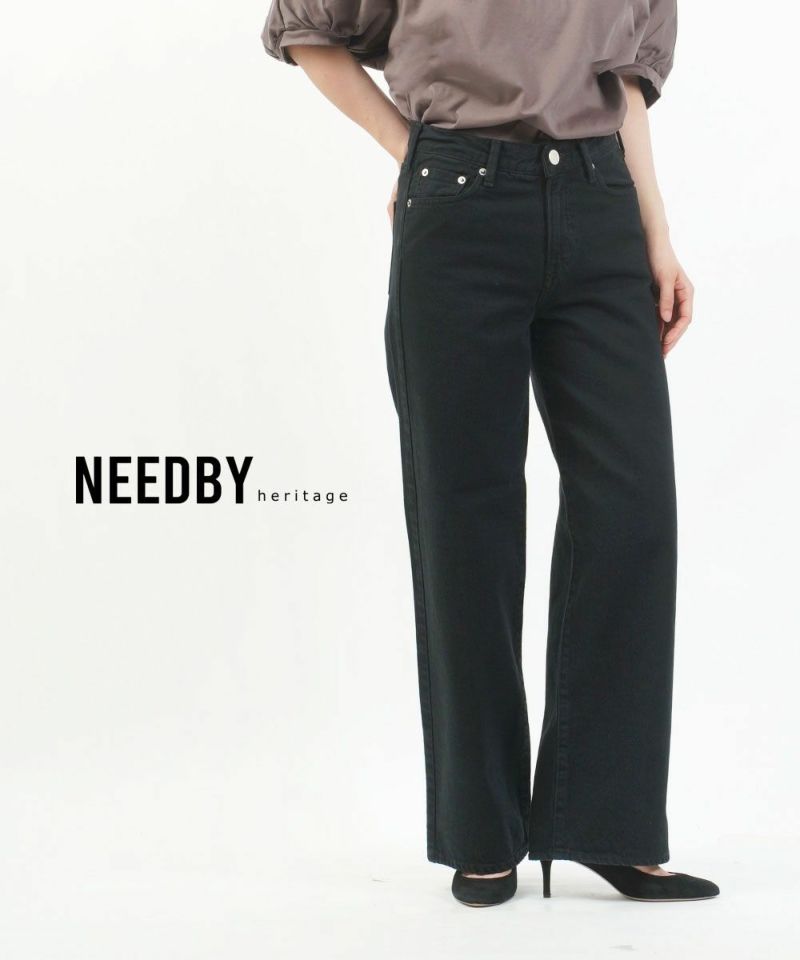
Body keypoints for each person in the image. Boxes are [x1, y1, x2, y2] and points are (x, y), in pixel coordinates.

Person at [260, 1, 720, 907]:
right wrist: (410, 152)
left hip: (600, 204)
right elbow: (306, 28)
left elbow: (624, 85)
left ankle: (607, 824)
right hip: (460, 211)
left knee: (631, 515)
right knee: (465, 521)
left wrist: (657, 237)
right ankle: (483, 833)